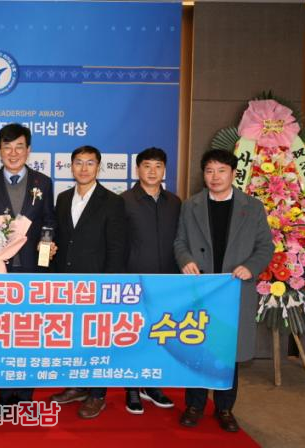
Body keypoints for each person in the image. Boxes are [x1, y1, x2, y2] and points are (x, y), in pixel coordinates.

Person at [174, 149, 273, 432]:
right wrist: (185, 260)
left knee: (229, 351)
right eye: (209, 171)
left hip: (234, 290)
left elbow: (265, 246)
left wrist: (250, 267)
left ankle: (225, 408)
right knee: (197, 347)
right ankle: (194, 405)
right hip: (200, 289)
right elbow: (180, 242)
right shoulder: (191, 205)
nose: (215, 177)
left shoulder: (252, 207)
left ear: (233, 173)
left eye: (221, 171)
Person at [0, 123, 56, 405]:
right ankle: (5, 393)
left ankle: (26, 393)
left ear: (28, 150)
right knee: (1, 331)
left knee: (29, 332)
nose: (13, 153)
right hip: (0, 269)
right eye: (7, 147)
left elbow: (49, 221)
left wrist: (47, 246)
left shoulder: (43, 182)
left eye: (19, 147)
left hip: (33, 268)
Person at [48, 145, 126, 419]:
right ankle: (78, 386)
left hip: (97, 284)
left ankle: (97, 394)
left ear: (98, 167)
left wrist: (107, 286)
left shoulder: (112, 202)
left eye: (90, 163)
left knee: (96, 340)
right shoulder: (63, 198)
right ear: (71, 167)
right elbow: (58, 239)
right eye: (78, 162)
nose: (83, 168)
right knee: (73, 339)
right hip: (66, 283)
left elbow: (117, 248)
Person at [119, 147, 180, 414]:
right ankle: (132, 388)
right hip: (133, 280)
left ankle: (152, 385)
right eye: (147, 165)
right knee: (134, 335)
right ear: (137, 169)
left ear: (164, 169)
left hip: (167, 282)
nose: (152, 171)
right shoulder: (123, 201)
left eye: (158, 166)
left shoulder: (175, 203)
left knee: (159, 334)